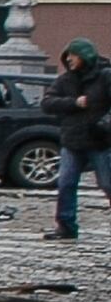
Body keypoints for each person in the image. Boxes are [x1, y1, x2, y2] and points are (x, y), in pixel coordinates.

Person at [55, 39, 111, 240]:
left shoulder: (105, 76)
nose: (69, 59)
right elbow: (48, 102)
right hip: (72, 141)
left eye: (73, 55)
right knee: (65, 183)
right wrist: (73, 103)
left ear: (84, 56)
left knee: (107, 184)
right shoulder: (65, 80)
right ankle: (66, 226)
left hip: (100, 141)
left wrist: (105, 125)